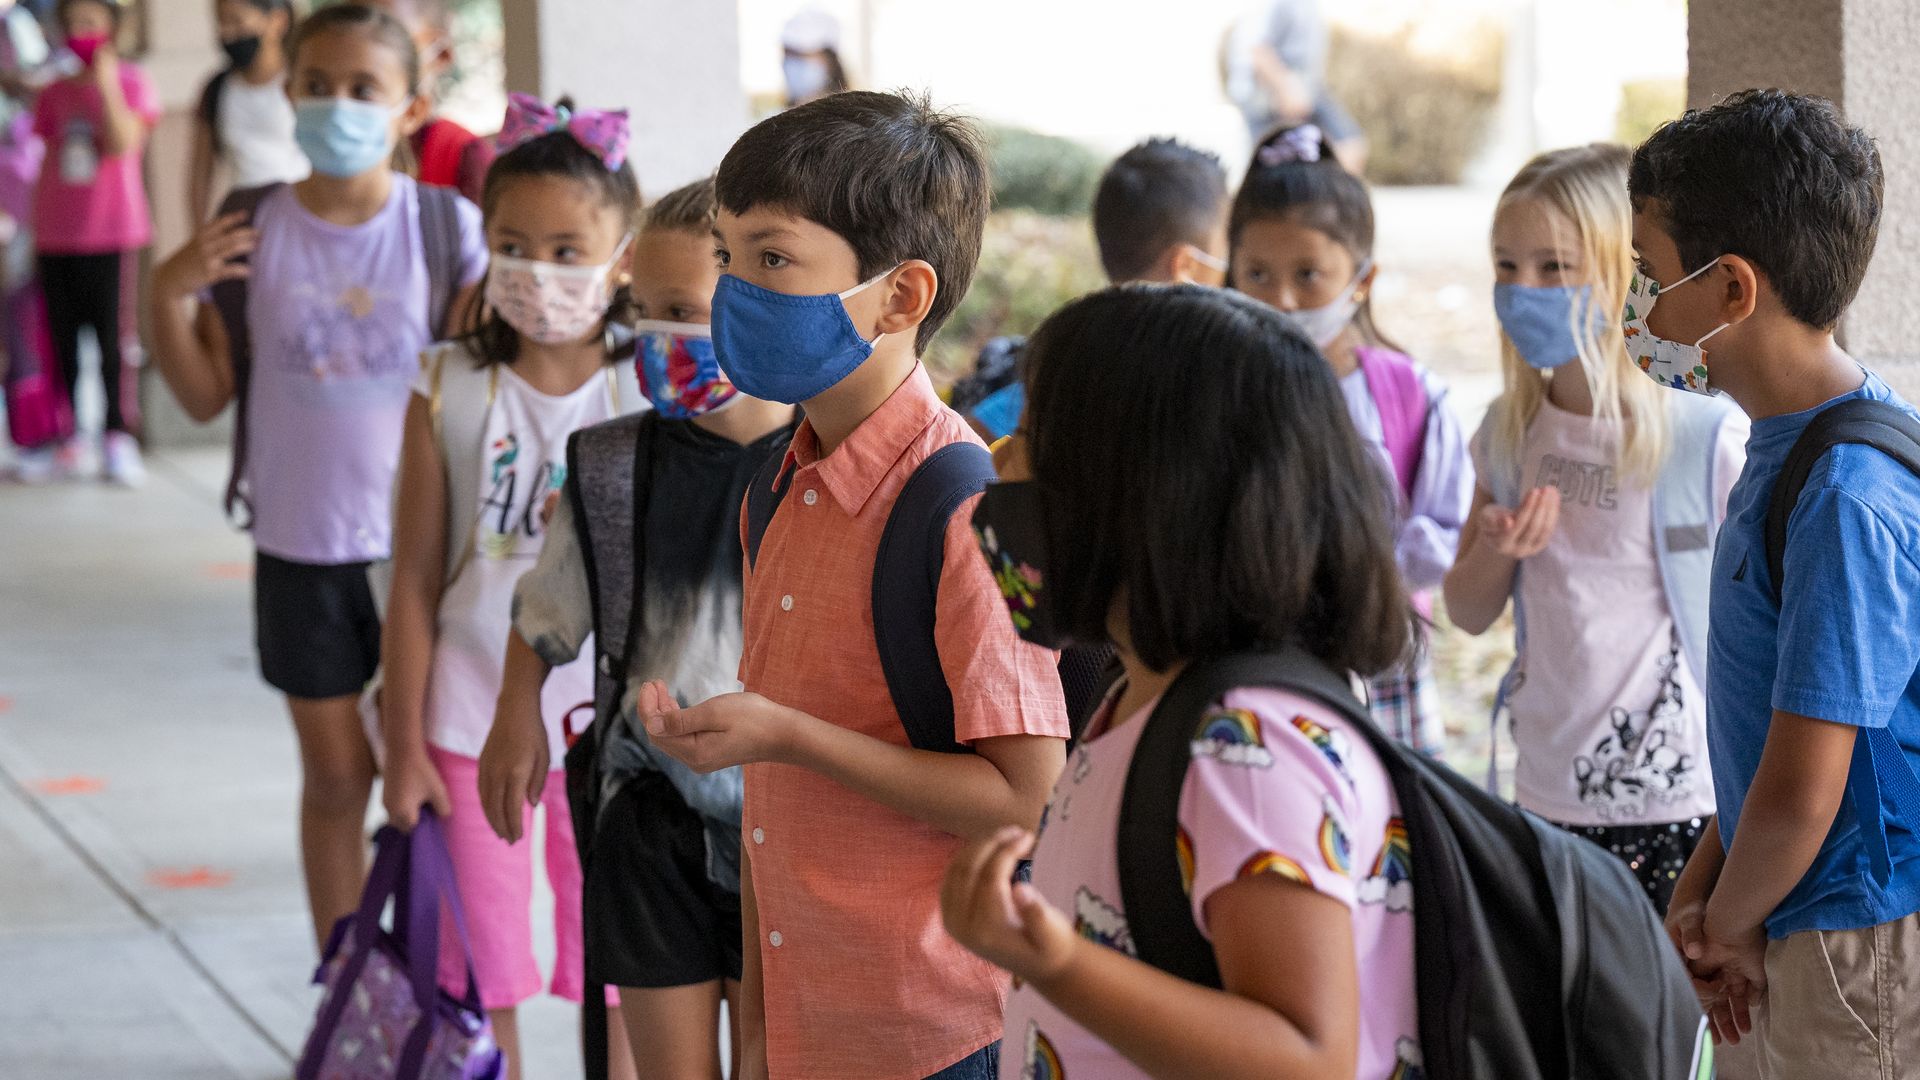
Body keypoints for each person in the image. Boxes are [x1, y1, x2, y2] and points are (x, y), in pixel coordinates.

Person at [638, 90, 1071, 1080]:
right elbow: (768, 814)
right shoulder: (776, 486)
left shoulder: (958, 504)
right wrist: (757, 1033)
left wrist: (788, 736)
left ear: (900, 297)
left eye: (772, 258)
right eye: (727, 253)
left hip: (935, 1031)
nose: (730, 292)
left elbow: (1026, 799)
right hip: (805, 1025)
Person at [939, 284, 1420, 1080]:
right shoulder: (1143, 694)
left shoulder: (1247, 750)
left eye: (1031, 435)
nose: (999, 458)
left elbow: (1307, 1057)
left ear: (1147, 493)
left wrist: (1058, 965)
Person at [145, 1, 488, 949]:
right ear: (288, 93)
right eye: (317, 85)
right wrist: (161, 292)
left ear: (409, 108)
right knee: (337, 779)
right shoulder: (249, 224)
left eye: (363, 89)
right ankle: (348, 986)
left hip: (425, 558)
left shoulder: (445, 227)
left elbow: (477, 392)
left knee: (426, 778)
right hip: (300, 548)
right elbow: (208, 392)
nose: (337, 105)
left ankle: (443, 982)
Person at [481, 174, 800, 1080]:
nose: (658, 338)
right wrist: (516, 715)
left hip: (783, 820)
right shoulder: (612, 463)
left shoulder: (824, 468)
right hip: (645, 814)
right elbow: (547, 612)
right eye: (646, 310)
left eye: (686, 310)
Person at [1629, 89, 1920, 1074]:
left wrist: (1728, 927)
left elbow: (1803, 791)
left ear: (1732, 291)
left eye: (1650, 274)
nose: (1641, 306)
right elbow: (1772, 733)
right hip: (1785, 912)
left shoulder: (1846, 491)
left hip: (1845, 948)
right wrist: (1705, 887)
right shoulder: (1786, 447)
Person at [378, 92, 641, 1080]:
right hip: (460, 720)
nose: (540, 271)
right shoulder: (445, 384)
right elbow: (411, 580)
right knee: (479, 963)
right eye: (514, 244)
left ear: (622, 250)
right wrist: (401, 745)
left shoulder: (645, 392)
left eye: (570, 248)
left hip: (611, 733)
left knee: (620, 961)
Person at [1442, 144, 1745, 913]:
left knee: (1676, 1029)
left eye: (1554, 267)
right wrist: (1496, 552)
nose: (1523, 290)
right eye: (1507, 267)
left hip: (1680, 801)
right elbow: (1468, 611)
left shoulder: (1701, 438)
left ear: (1624, 271)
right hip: (1546, 796)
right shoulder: (1510, 433)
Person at [1228, 123, 1472, 757]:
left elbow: (1441, 530)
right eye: (1256, 273)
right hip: (1246, 672)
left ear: (1362, 279)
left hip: (1380, 661)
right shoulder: (1212, 394)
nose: (1280, 299)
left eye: (1308, 275)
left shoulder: (1409, 395)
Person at [952, 137, 1231, 441]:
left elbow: (975, 434)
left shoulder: (1069, 349)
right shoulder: (1195, 370)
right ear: (1186, 265)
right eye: (1228, 244)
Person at [27, 0, 157, 485]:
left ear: (111, 29)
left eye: (90, 23)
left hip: (112, 232)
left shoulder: (131, 83)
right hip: (57, 234)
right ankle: (67, 438)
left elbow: (124, 143)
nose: (79, 32)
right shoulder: (53, 93)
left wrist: (104, 83)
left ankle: (116, 436)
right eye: (71, 24)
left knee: (111, 341)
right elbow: (46, 162)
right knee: (61, 342)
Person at [189, 0, 307, 226]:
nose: (228, 33)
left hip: (299, 214)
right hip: (242, 220)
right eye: (221, 23)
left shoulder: (303, 82)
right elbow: (200, 173)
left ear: (277, 21)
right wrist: (200, 232)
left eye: (237, 21)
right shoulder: (217, 89)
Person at [367, 0, 494, 205]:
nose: (366, 56)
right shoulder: (329, 147)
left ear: (441, 53)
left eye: (389, 39)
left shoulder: (463, 158)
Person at [1222, 0, 1365, 173]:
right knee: (1272, 169)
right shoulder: (1276, 5)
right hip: (1270, 95)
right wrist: (1285, 88)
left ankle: (1327, 192)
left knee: (1351, 144)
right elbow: (1257, 49)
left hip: (1308, 90)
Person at [780, 6, 849, 109]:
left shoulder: (848, 117)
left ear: (829, 61)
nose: (793, 64)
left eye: (802, 55)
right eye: (789, 55)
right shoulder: (776, 118)